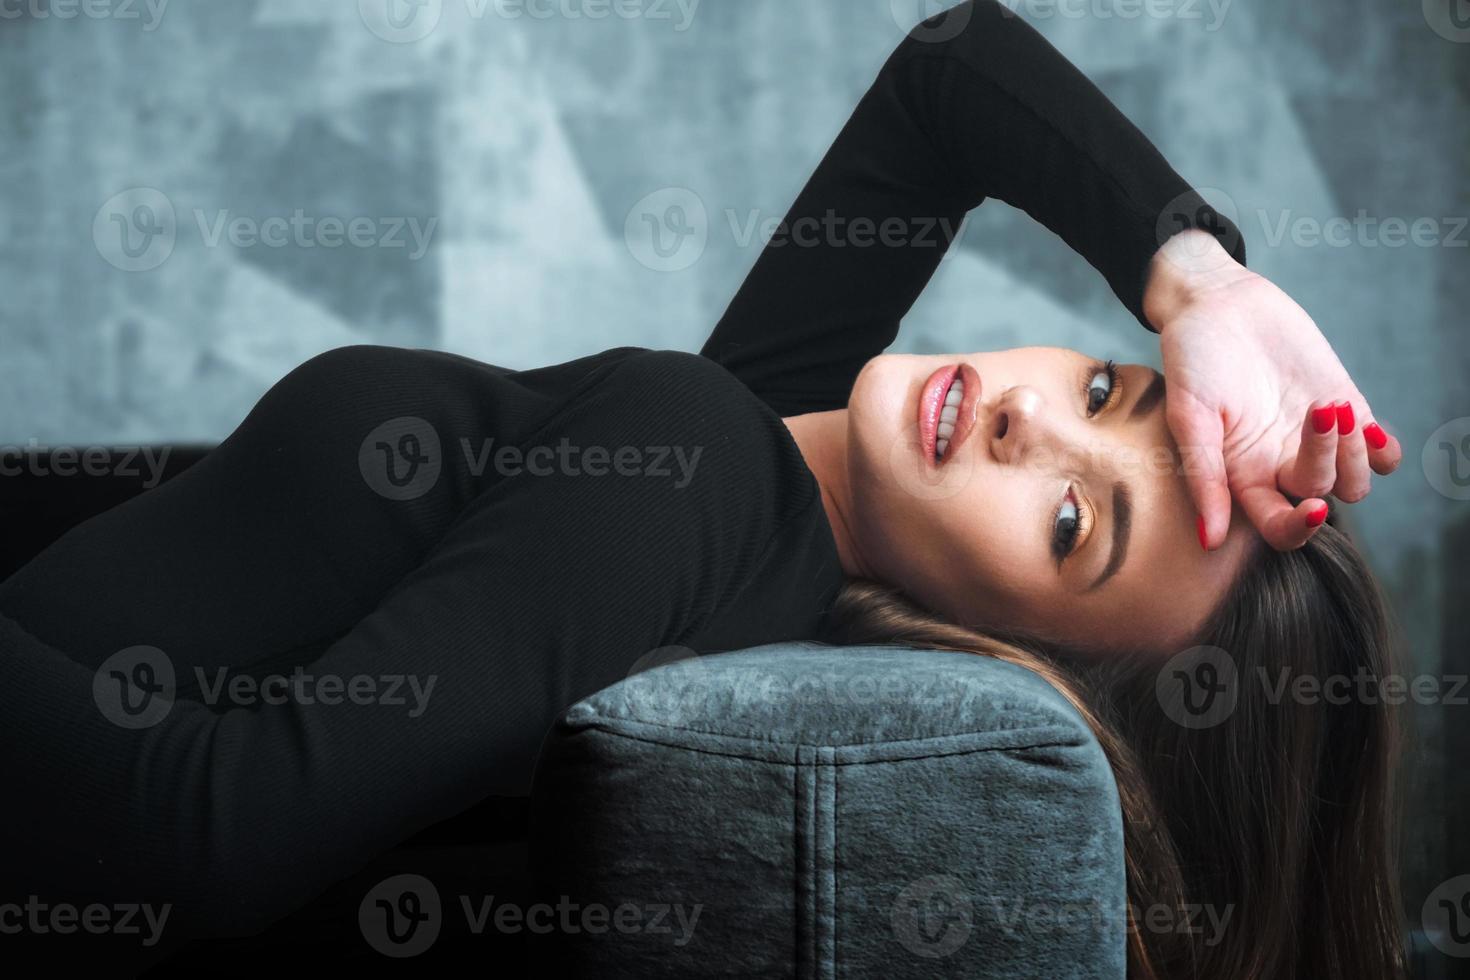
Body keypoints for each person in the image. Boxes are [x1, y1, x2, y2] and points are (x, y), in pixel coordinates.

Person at [0, 2, 1406, 976]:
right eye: (1111, 388)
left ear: (1009, 654)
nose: (1028, 419)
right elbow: (950, 69)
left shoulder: (697, 471)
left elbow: (202, 837)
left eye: (1067, 524)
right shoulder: (763, 466)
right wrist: (1199, 278)